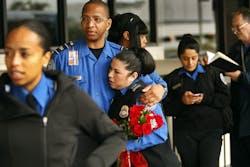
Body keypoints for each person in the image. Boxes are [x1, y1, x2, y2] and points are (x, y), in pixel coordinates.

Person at [0, 20, 126, 167]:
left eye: (24, 54)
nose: (14, 61)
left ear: (45, 58)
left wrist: (94, 162)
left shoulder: (69, 95)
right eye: (8, 53)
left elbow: (115, 136)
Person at [52, 0, 167, 113]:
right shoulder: (62, 57)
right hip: (76, 129)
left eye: (97, 19)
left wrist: (161, 89)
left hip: (114, 127)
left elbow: (154, 82)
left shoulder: (122, 54)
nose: (90, 24)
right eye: (85, 19)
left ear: (108, 24)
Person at [162, 34, 230, 167]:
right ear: (179, 57)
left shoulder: (212, 73)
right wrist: (182, 101)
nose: (190, 63)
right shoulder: (172, 78)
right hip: (185, 133)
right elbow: (166, 107)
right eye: (185, 59)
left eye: (194, 58)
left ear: (198, 55)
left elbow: (225, 98)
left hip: (211, 129)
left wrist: (205, 98)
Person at [108, 47, 180, 167]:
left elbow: (159, 134)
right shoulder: (120, 94)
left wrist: (125, 146)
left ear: (133, 76)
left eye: (116, 72)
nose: (110, 75)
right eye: (110, 69)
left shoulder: (144, 94)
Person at [224, 7, 250, 167]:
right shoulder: (235, 49)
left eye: (238, 27)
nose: (235, 31)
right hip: (238, 114)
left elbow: (239, 74)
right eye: (233, 28)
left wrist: (240, 76)